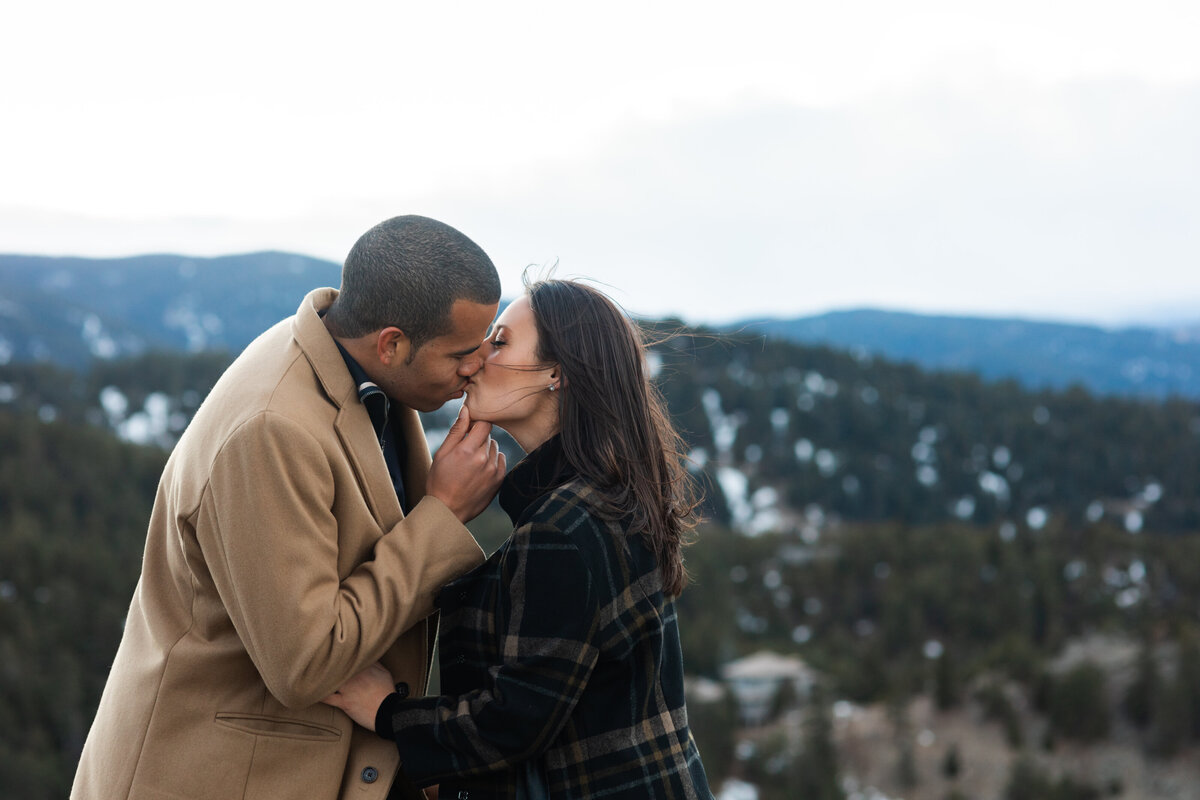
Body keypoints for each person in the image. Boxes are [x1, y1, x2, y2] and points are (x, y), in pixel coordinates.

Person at [71, 216, 508, 800]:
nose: (476, 366)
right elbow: (306, 661)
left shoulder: (357, 366)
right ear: (392, 342)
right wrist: (444, 515)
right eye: (461, 352)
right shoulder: (273, 429)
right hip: (210, 777)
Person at [325, 279, 714, 799]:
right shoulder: (609, 496)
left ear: (558, 373)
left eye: (501, 341)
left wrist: (387, 712)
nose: (477, 357)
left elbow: (514, 720)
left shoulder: (564, 527)